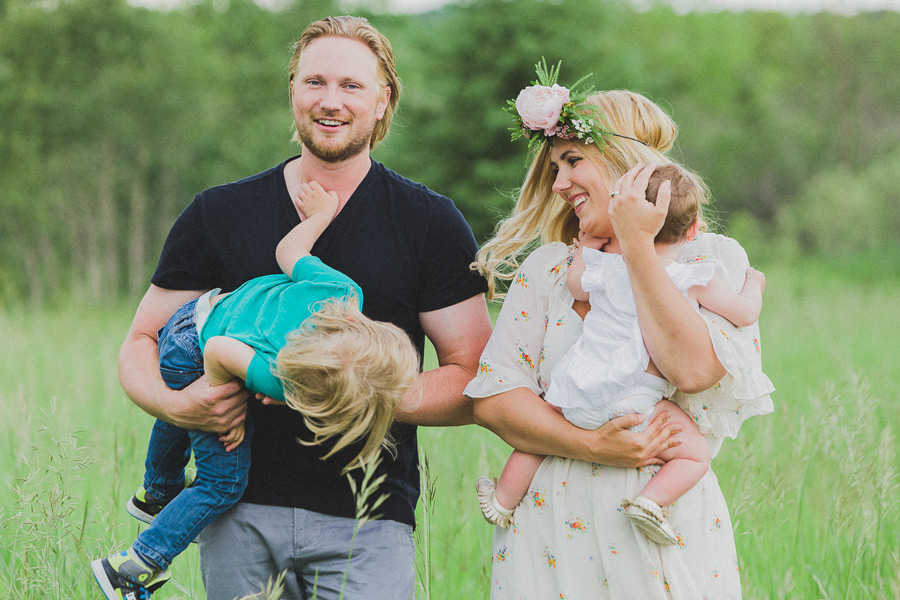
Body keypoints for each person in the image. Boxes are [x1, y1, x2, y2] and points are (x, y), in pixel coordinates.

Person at [116, 15, 492, 600]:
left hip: (371, 517)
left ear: (383, 98)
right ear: (292, 88)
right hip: (235, 510)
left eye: (352, 85)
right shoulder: (218, 213)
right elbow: (142, 340)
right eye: (315, 82)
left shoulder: (431, 223)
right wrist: (176, 405)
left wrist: (345, 393)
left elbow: (474, 377)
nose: (331, 101)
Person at [466, 61, 774, 598]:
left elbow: (693, 370)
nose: (559, 184)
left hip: (659, 524)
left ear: (623, 166)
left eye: (572, 162)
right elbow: (495, 399)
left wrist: (637, 245)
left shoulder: (712, 259)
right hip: (550, 526)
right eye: (552, 168)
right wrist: (590, 445)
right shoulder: (552, 271)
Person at [92, 182, 421, 599]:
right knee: (222, 483)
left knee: (177, 412)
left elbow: (289, 254)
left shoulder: (344, 294)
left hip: (195, 315)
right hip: (199, 347)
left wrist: (319, 216)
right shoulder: (283, 377)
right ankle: (137, 564)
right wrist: (215, 402)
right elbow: (218, 351)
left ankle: (156, 491)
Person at [475, 164, 767, 547]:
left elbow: (577, 287)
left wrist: (586, 251)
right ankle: (650, 502)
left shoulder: (608, 265)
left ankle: (502, 499)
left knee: (539, 437)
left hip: (579, 384)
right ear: (693, 229)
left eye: (573, 162)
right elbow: (745, 312)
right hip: (635, 402)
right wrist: (755, 284)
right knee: (694, 454)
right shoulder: (692, 276)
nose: (561, 178)